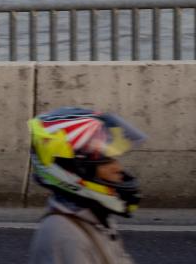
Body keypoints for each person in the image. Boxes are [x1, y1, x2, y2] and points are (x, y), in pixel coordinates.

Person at [28, 107, 145, 264]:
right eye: (105, 161)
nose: (118, 168)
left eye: (114, 158)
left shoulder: (95, 219)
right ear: (74, 170)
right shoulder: (63, 233)